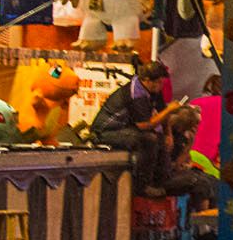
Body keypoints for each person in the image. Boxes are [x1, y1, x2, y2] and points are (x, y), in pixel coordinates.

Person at [89, 63, 217, 207]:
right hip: (107, 132)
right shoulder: (135, 94)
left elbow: (163, 115)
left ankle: (162, 179)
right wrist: (169, 110)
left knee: (158, 138)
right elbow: (144, 125)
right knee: (148, 139)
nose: (161, 85)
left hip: (128, 128)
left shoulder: (154, 91)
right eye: (158, 82)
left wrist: (168, 134)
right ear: (147, 80)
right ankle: (143, 185)